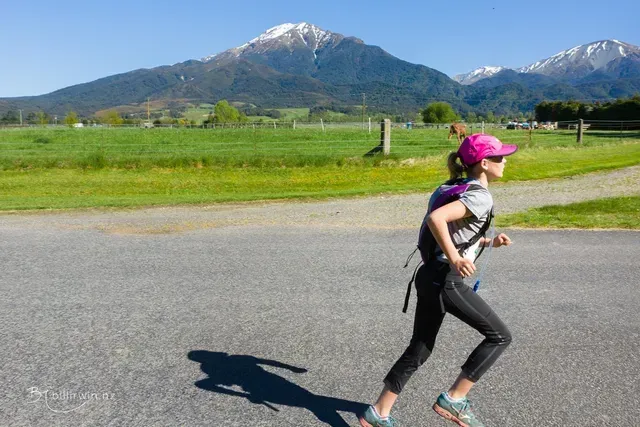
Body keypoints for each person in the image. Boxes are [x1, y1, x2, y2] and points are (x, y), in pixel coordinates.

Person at [359, 134, 518, 427]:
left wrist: (488, 242)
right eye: (499, 157)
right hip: (446, 279)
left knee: (419, 348)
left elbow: (456, 233)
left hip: (428, 274)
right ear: (484, 163)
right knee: (500, 335)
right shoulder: (480, 195)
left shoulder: (451, 186)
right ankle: (455, 399)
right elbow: (437, 220)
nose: (504, 161)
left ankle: (378, 413)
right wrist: (456, 259)